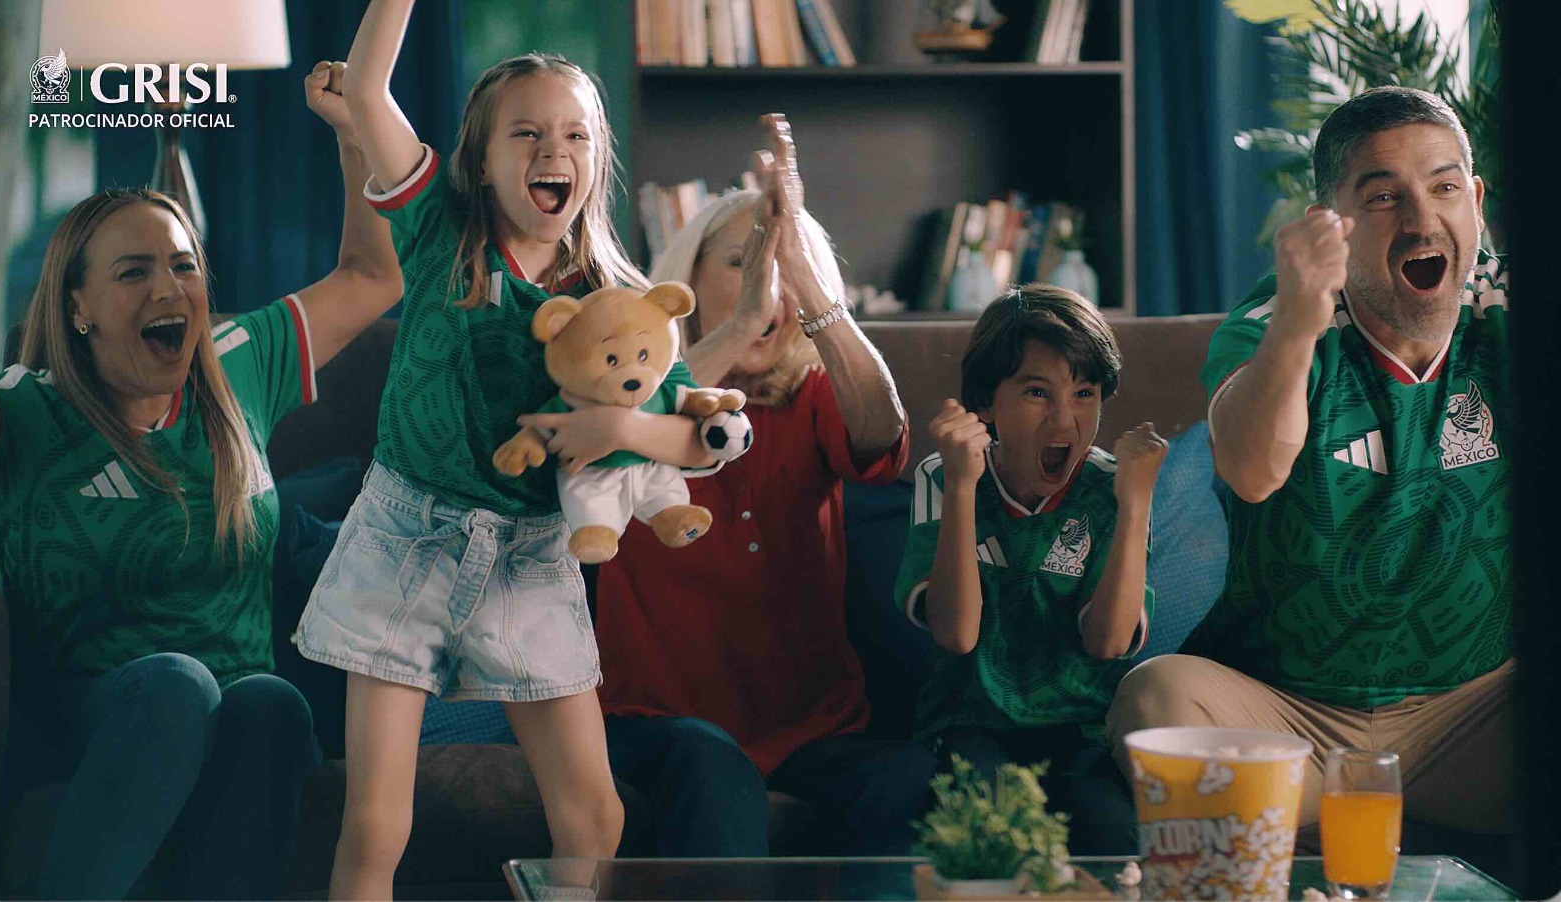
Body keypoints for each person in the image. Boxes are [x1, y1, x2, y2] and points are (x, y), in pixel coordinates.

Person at [296, 2, 741, 896]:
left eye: (575, 135)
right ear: (481, 160)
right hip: (405, 542)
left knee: (595, 817)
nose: (552, 151)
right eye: (527, 134)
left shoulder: (620, 298)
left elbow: (704, 439)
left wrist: (621, 429)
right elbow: (370, 87)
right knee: (377, 824)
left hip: (532, 559)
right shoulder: (439, 232)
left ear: (596, 161)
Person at [0, 61, 403, 900]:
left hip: (241, 717)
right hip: (93, 713)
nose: (169, 287)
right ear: (79, 308)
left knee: (272, 703)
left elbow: (372, 276)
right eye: (134, 272)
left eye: (184, 265)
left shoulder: (240, 363)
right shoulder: (24, 411)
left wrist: (353, 137)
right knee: (177, 683)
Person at [1107, 86, 1513, 836]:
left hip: (1471, 718)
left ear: (1477, 202)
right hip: (1288, 719)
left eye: (1444, 188)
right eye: (1384, 197)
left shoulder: (1508, 308)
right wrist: (1298, 323)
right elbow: (1250, 469)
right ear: (1331, 223)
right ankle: (1356, 812)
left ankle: (1314, 818)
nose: (1422, 220)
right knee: (1158, 697)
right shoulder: (1273, 321)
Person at [593, 115, 936, 857]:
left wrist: (808, 276)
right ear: (684, 287)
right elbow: (616, 432)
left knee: (908, 776)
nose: (766, 282)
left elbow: (883, 437)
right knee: (713, 768)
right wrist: (744, 322)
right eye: (744, 261)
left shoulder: (813, 395)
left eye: (781, 265)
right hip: (653, 724)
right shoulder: (624, 379)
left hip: (813, 730)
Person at [896, 285, 1167, 853]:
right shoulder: (941, 476)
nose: (1064, 419)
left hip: (1084, 729)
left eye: (1084, 393)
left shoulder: (1116, 487)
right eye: (1038, 392)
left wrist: (1135, 504)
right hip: (970, 723)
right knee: (993, 841)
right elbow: (957, 633)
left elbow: (1109, 643)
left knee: (1117, 840)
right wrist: (963, 485)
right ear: (985, 404)